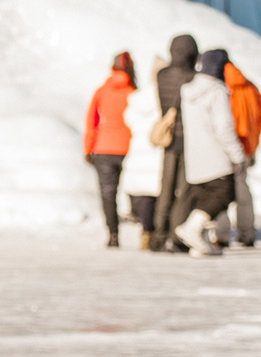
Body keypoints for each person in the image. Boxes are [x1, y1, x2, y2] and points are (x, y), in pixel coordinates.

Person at [172, 49, 249, 257]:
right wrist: (237, 155)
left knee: (203, 197)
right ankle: (192, 228)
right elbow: (223, 127)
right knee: (224, 194)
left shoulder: (187, 91)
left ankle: (201, 244)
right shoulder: (216, 91)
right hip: (216, 156)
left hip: (194, 157)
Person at [150, 34, 199, 252]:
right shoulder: (194, 77)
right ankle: (176, 234)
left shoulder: (162, 75)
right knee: (184, 190)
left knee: (166, 187)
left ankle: (158, 233)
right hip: (188, 139)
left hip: (169, 139)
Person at [83, 52, 137, 247]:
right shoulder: (134, 92)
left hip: (104, 148)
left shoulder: (102, 92)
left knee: (108, 193)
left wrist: (88, 149)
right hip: (129, 148)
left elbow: (92, 122)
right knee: (134, 188)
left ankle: (113, 234)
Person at [124, 58, 167, 249]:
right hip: (157, 152)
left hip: (139, 151)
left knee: (144, 197)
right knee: (159, 195)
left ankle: (146, 232)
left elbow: (129, 120)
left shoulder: (138, 98)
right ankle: (158, 232)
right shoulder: (166, 96)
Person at [223, 56, 261, 246]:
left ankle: (222, 234)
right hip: (247, 146)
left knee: (221, 190)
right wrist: (253, 143)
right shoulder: (252, 87)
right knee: (243, 190)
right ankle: (247, 232)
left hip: (226, 147)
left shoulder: (222, 88)